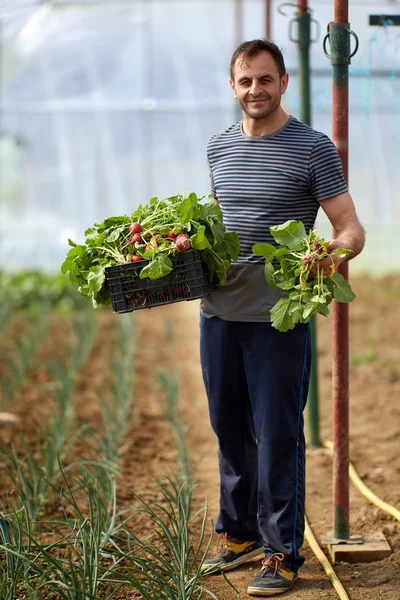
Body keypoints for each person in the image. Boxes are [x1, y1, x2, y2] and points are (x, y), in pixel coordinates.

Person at [199, 39, 365, 597]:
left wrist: (333, 252)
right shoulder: (218, 148)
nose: (255, 90)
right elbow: (219, 228)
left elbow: (349, 227)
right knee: (228, 430)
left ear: (284, 81)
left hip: (280, 318)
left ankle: (281, 551)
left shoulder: (312, 148)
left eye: (265, 80)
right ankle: (240, 532)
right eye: (245, 81)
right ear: (232, 86)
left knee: (277, 435)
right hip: (219, 312)